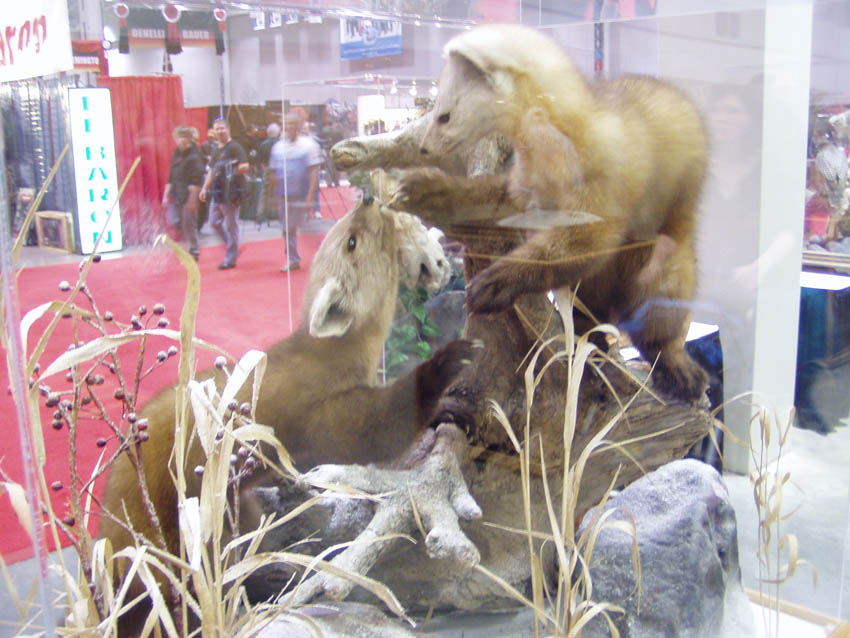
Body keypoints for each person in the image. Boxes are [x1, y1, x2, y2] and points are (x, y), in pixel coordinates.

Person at [270, 112, 322, 272]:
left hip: (302, 194)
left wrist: (311, 196)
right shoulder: (277, 147)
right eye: (285, 123)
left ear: (298, 126)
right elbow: (274, 173)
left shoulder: (308, 145)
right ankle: (293, 259)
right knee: (287, 229)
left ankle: (322, 258)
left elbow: (314, 171)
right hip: (284, 195)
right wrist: (273, 195)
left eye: (291, 123)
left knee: (307, 229)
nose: (288, 127)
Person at [199, 118, 249, 270]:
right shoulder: (215, 150)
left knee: (231, 226)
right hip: (218, 192)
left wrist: (230, 171)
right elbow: (211, 171)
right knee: (214, 222)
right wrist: (204, 188)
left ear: (228, 129)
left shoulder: (235, 147)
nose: (220, 131)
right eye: (217, 129)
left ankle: (230, 259)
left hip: (231, 192)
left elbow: (245, 166)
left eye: (222, 128)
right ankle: (232, 246)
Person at [162, 125, 205, 260]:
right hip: (177, 194)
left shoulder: (195, 155)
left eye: (184, 137)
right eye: (178, 137)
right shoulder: (177, 153)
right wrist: (166, 195)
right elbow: (171, 176)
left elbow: (196, 180)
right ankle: (189, 246)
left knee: (188, 224)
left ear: (189, 138)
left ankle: (194, 251)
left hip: (189, 195)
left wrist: (192, 200)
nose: (181, 140)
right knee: (174, 220)